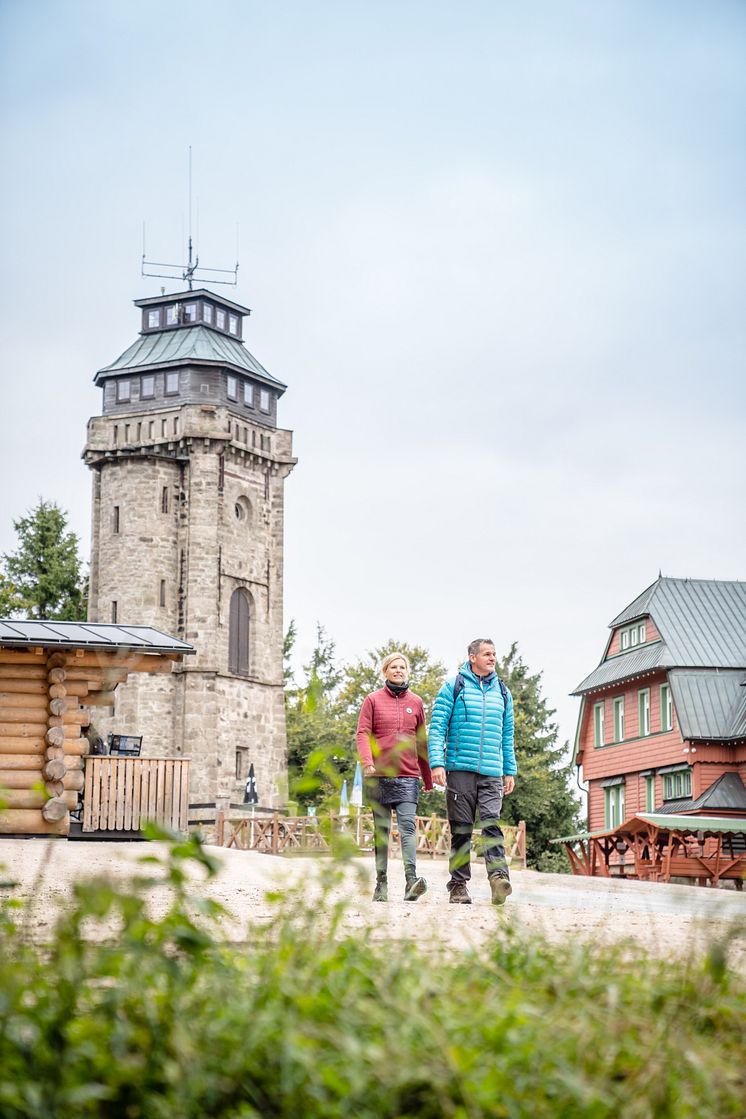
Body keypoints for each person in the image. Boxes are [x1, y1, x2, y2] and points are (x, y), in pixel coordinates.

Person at [428, 638, 517, 906]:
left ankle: (498, 878)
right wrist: (437, 763)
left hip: (492, 771)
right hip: (459, 770)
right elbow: (437, 727)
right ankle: (458, 885)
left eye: (494, 654)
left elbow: (507, 735)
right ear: (472, 656)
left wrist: (509, 770)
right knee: (462, 829)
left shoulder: (503, 692)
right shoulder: (454, 687)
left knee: (491, 823)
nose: (492, 658)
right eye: (487, 654)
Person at [356, 651, 433, 902]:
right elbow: (363, 734)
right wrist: (367, 762)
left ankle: (411, 881)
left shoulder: (417, 702)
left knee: (408, 827)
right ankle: (381, 883)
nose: (398, 670)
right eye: (393, 667)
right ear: (385, 672)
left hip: (408, 775)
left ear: (407, 671)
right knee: (382, 830)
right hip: (379, 775)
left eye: (402, 667)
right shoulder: (372, 700)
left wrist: (428, 778)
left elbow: (421, 743)